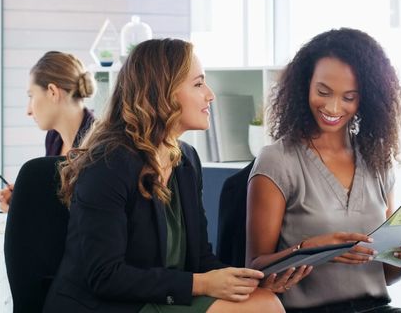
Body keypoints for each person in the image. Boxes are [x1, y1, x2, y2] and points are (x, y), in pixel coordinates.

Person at [43, 38, 284, 313]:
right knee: (264, 308)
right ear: (162, 93)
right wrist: (202, 284)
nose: (210, 95)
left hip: (162, 296)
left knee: (263, 299)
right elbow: (105, 276)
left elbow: (201, 259)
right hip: (110, 305)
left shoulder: (185, 160)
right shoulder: (107, 165)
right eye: (198, 84)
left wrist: (248, 282)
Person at [247, 28, 401, 313]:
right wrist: (312, 249)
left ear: (365, 99)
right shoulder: (277, 161)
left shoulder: (378, 162)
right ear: (305, 85)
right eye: (323, 92)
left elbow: (385, 275)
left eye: (349, 97)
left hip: (376, 308)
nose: (333, 107)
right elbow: (255, 270)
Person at [0, 51, 96, 212]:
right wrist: (25, 197)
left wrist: (24, 210)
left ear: (52, 92)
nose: (28, 111)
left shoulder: (99, 146)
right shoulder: (54, 137)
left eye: (31, 96)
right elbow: (58, 205)